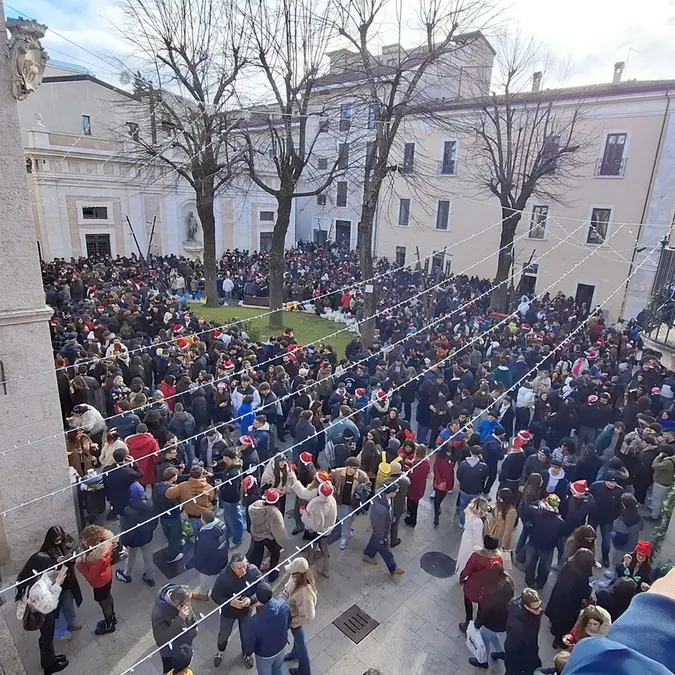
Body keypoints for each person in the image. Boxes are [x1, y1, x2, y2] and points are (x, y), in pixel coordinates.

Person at [15, 552, 69, 674]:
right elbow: (49, 605)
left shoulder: (30, 575)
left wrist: (50, 577)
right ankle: (49, 665)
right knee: (47, 638)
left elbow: (42, 580)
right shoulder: (37, 588)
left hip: (38, 610)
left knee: (46, 638)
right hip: (43, 614)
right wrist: (58, 583)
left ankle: (51, 658)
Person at [211, 553, 262, 668]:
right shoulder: (223, 577)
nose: (244, 570)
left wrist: (251, 599)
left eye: (245, 566)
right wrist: (229, 602)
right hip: (228, 613)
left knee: (247, 633)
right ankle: (220, 651)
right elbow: (215, 595)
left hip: (246, 611)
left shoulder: (253, 571)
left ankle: (247, 654)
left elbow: (261, 588)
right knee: (224, 633)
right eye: (240, 568)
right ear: (232, 567)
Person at [545, 548, 596, 649]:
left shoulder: (568, 564)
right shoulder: (581, 576)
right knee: (565, 625)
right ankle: (561, 642)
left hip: (558, 599)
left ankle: (555, 635)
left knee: (557, 620)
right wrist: (590, 587)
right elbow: (584, 593)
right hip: (570, 605)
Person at [39, 526, 82, 642]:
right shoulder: (45, 552)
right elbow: (45, 569)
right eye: (56, 539)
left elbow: (74, 551)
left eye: (60, 538)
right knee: (57, 610)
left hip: (68, 581)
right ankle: (60, 630)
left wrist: (72, 558)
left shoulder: (66, 543)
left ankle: (71, 621)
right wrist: (55, 562)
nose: (59, 541)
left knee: (68, 604)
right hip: (54, 585)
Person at [243, 582, 292, 675]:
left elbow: (249, 642)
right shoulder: (283, 604)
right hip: (281, 645)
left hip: (265, 654)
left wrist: (247, 653)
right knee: (278, 669)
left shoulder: (254, 622)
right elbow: (289, 621)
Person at [76, 525, 117, 635]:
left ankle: (109, 625)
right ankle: (112, 618)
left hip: (100, 583)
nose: (83, 542)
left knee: (103, 603)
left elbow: (91, 575)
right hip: (107, 576)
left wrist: (80, 564)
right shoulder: (105, 546)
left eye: (84, 540)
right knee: (108, 597)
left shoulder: (96, 558)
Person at [116, 481, 158, 586]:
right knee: (148, 556)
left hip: (133, 538)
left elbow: (125, 526)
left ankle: (126, 574)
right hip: (146, 536)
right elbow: (154, 522)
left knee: (131, 556)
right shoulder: (150, 505)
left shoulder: (126, 509)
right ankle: (150, 577)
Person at [471, 566, 515, 667]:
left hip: (491, 622)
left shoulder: (492, 591)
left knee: (484, 641)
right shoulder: (509, 581)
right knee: (493, 635)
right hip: (504, 619)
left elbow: (485, 610)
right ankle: (500, 652)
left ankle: (483, 661)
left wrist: (476, 625)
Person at [458, 534, 503, 633]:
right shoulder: (498, 559)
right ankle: (477, 624)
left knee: (468, 600)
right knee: (482, 605)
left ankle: (468, 621)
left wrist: (462, 578)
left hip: (473, 585)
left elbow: (467, 569)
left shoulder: (476, 556)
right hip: (487, 588)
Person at [152, 584, 197, 675]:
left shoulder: (183, 596)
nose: (189, 603)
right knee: (171, 670)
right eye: (187, 602)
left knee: (183, 668)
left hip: (184, 644)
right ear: (178, 604)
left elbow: (191, 612)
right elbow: (162, 640)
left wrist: (194, 625)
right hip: (171, 652)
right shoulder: (159, 614)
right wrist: (179, 619)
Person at [283, 557, 318, 675]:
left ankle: (304, 671)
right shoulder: (297, 578)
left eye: (293, 573)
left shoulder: (305, 593)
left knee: (301, 643)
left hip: (296, 619)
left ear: (298, 574)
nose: (291, 575)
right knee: (299, 640)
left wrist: (294, 622)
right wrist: (285, 591)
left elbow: (309, 615)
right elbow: (289, 585)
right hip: (293, 615)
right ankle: (295, 653)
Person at [524, 494, 566, 590]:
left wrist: (539, 502)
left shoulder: (536, 512)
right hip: (548, 548)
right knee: (544, 568)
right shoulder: (560, 522)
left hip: (533, 543)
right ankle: (540, 584)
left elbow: (529, 507)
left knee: (530, 564)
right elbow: (561, 534)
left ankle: (529, 581)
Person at [362, 482, 405, 575]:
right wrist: (381, 538)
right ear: (391, 493)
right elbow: (378, 525)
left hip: (382, 525)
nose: (397, 492)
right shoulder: (380, 510)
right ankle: (393, 567)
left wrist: (390, 517)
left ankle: (368, 554)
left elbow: (389, 507)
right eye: (396, 491)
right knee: (385, 549)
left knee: (374, 540)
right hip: (381, 530)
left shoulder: (385, 496)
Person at [166, 464, 217, 538]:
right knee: (208, 534)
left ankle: (198, 541)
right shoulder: (209, 487)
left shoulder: (183, 486)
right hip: (205, 516)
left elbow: (168, 494)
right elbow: (213, 500)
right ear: (202, 475)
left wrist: (173, 486)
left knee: (197, 534)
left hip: (191, 515)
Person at [189, 509, 229, 601]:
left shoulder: (205, 536)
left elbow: (200, 555)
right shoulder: (222, 525)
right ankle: (203, 593)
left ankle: (209, 595)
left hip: (210, 565)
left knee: (207, 580)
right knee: (215, 577)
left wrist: (191, 564)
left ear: (202, 519)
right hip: (222, 558)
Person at [248, 489, 288, 580]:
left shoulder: (255, 505)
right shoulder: (275, 513)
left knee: (257, 555)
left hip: (256, 533)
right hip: (268, 537)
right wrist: (283, 543)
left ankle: (253, 576)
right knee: (275, 552)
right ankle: (272, 573)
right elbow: (279, 532)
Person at [331, 457, 369, 549]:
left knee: (349, 519)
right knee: (345, 520)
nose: (356, 470)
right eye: (354, 468)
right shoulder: (338, 472)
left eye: (357, 468)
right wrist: (333, 487)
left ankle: (346, 533)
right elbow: (330, 479)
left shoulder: (362, 475)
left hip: (354, 502)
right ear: (348, 466)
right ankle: (345, 535)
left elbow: (368, 486)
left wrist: (363, 492)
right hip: (341, 501)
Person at [301, 481, 338, 579]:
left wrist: (304, 514)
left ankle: (309, 571)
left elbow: (315, 526)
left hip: (317, 531)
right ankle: (326, 570)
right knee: (324, 547)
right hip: (327, 530)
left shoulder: (317, 505)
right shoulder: (332, 500)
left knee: (311, 548)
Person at [504, 588, 543, 675]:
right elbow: (511, 647)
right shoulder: (517, 627)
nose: (540, 609)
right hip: (521, 656)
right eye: (536, 608)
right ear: (526, 607)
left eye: (540, 604)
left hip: (529, 647)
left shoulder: (530, 611)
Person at [590, 471, 625, 567]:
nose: (612, 484)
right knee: (589, 537)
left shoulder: (619, 491)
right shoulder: (595, 486)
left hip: (608, 520)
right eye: (610, 482)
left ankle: (605, 557)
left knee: (606, 540)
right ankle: (588, 554)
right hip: (594, 517)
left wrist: (614, 516)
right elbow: (589, 497)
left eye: (615, 482)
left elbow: (619, 506)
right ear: (605, 480)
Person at [153, 466, 185, 564]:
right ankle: (172, 556)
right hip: (172, 516)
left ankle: (177, 543)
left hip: (163, 515)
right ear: (173, 477)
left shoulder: (157, 486)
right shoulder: (170, 493)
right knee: (175, 534)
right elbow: (176, 504)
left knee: (167, 531)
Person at [103, 447, 143, 520]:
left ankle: (117, 512)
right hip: (123, 496)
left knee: (116, 506)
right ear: (125, 458)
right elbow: (140, 474)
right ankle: (112, 516)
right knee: (119, 508)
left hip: (111, 494)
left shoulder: (106, 469)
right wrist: (134, 463)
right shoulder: (127, 473)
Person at [456, 495, 491, 577]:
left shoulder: (469, 511)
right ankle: (465, 575)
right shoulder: (478, 521)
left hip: (466, 537)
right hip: (471, 543)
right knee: (468, 559)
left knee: (463, 556)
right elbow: (477, 540)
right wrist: (482, 549)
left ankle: (460, 571)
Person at [456, 446, 489, 527]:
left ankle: (462, 522)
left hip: (464, 490)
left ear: (470, 452)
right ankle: (470, 523)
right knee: (474, 508)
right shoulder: (483, 466)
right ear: (480, 454)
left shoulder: (463, 464)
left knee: (463, 507)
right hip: (476, 491)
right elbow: (485, 476)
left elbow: (458, 476)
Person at [610, 493, 644, 565]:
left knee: (617, 563)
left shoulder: (623, 520)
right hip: (633, 545)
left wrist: (612, 535)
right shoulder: (637, 515)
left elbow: (620, 539)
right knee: (629, 562)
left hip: (623, 547)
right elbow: (641, 528)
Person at [404, 443, 430, 527]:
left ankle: (412, 520)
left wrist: (407, 468)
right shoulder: (426, 461)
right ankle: (412, 519)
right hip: (421, 485)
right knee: (415, 503)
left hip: (414, 486)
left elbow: (413, 474)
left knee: (412, 504)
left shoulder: (418, 463)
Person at [432, 444, 455, 527]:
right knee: (436, 500)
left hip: (447, 482)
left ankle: (438, 508)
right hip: (439, 481)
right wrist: (439, 481)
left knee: (441, 497)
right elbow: (436, 468)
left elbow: (451, 472)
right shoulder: (439, 457)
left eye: (450, 452)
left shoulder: (452, 458)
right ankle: (436, 517)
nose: (448, 453)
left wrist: (450, 484)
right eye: (447, 451)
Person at [650, 444, 675, 519]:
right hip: (666, 482)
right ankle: (659, 512)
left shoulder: (668, 462)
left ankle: (654, 516)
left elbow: (654, 465)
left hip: (661, 483)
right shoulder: (672, 459)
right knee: (662, 499)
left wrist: (659, 456)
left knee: (656, 499)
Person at [388, 463, 409, 546]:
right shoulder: (405, 481)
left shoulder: (387, 481)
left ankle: (384, 540)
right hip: (399, 507)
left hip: (389, 507)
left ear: (393, 470)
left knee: (385, 524)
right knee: (395, 525)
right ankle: (393, 540)